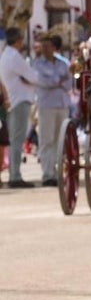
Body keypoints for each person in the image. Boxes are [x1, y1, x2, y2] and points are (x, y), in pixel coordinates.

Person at [0, 27, 64, 188]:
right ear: (18, 40)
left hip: (15, 99)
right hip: (19, 100)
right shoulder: (14, 56)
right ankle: (15, 176)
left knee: (16, 138)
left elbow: (29, 77)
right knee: (17, 139)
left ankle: (15, 174)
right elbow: (33, 76)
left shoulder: (7, 54)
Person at [31, 34, 72, 187]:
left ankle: (57, 171)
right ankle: (48, 174)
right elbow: (42, 81)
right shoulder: (37, 64)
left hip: (62, 104)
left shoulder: (62, 63)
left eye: (49, 46)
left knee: (59, 140)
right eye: (44, 46)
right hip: (46, 105)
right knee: (46, 139)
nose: (47, 49)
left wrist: (56, 81)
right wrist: (58, 80)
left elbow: (69, 83)